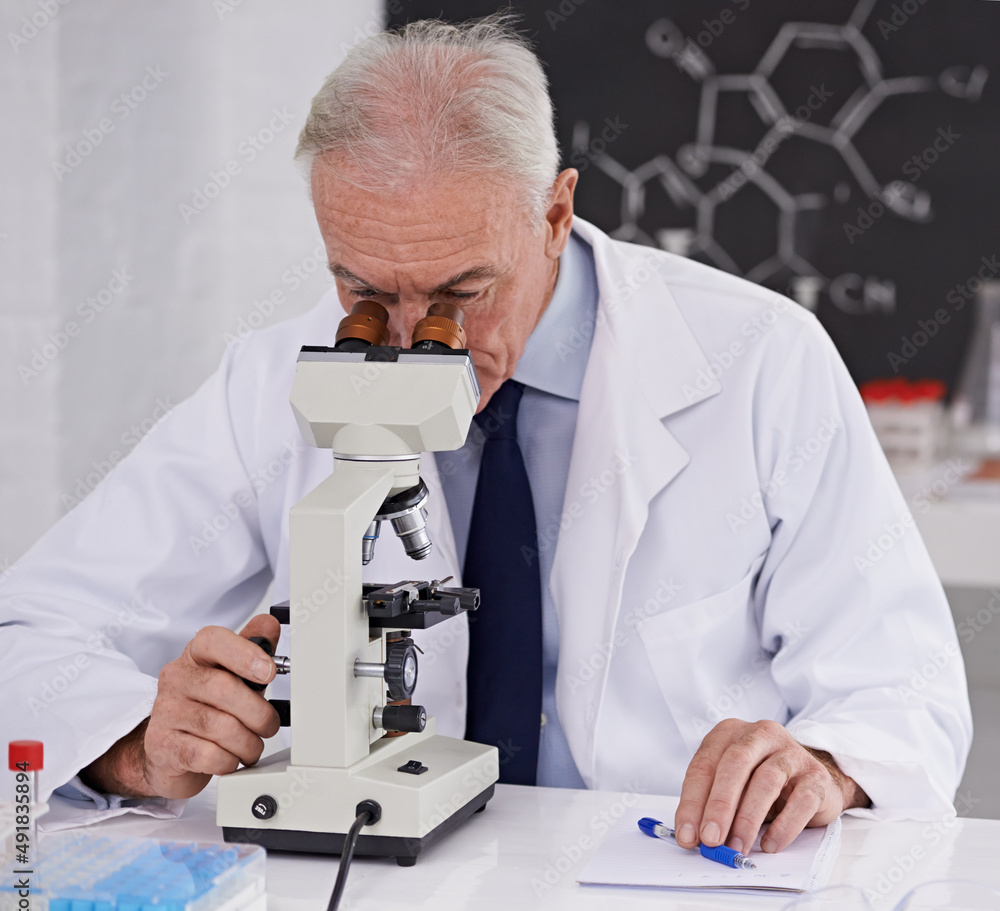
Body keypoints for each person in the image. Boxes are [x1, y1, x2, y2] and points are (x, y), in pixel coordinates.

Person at [0, 17, 971, 858]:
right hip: (386, 907)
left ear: (554, 212)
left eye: (464, 294)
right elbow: (29, 636)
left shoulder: (761, 360)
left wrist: (824, 765)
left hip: (669, 906)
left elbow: (904, 690)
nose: (426, 340)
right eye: (367, 295)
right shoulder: (274, 378)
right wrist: (131, 741)